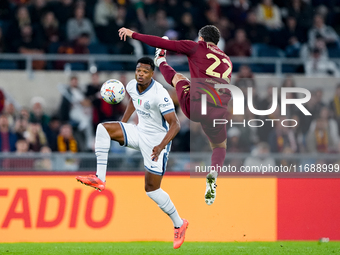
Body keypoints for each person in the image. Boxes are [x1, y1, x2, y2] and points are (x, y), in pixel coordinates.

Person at [76, 57, 188, 249]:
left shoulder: (159, 94)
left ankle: (179, 223)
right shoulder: (131, 86)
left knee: (152, 190)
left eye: (145, 71)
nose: (140, 74)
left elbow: (175, 124)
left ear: (152, 74)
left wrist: (161, 146)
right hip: (138, 132)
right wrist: (123, 123)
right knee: (103, 128)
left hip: (156, 142)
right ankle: (100, 178)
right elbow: (134, 102)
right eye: (138, 71)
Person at [118, 25, 233, 206]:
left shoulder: (196, 46)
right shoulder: (227, 60)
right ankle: (213, 173)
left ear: (201, 38)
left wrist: (134, 34)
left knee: (179, 78)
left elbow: (160, 42)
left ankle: (160, 61)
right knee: (219, 146)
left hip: (195, 106)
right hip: (218, 110)